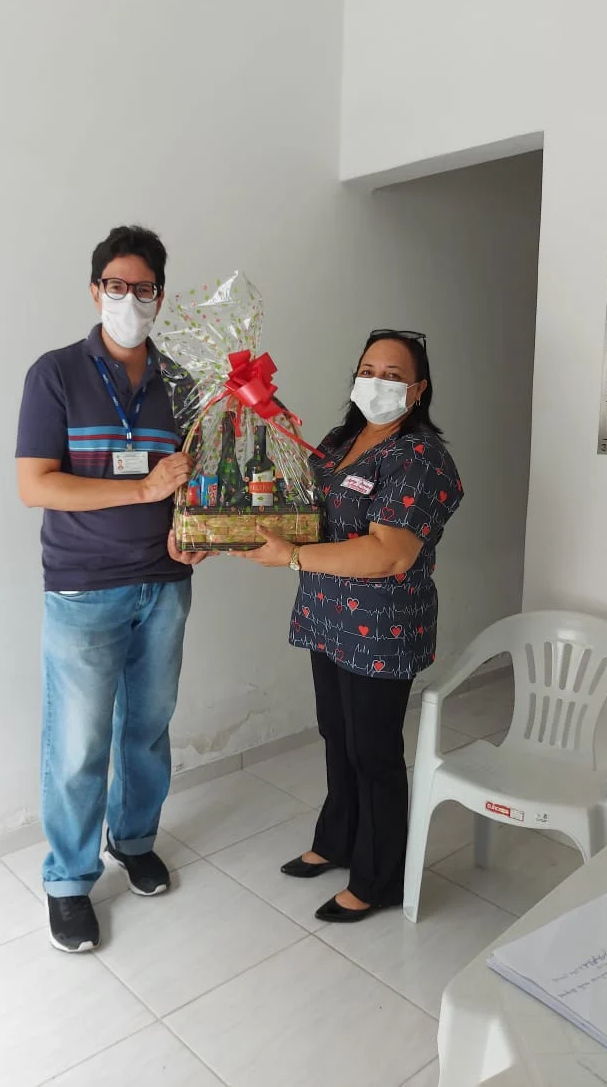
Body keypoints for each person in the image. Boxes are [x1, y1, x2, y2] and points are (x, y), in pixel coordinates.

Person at [15, 225, 205, 953]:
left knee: (148, 727)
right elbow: (36, 485)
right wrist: (141, 489)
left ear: (161, 296)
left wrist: (198, 530)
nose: (130, 300)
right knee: (78, 742)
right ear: (95, 291)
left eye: (144, 288)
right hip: (84, 588)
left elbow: (195, 482)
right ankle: (68, 879)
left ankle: (133, 839)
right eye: (116, 286)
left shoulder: (183, 383)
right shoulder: (55, 374)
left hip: (164, 583)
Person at [235, 330, 463, 922]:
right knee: (337, 735)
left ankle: (380, 876)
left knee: (373, 750)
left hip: (381, 628)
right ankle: (337, 840)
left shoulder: (419, 458)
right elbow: (302, 503)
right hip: (328, 615)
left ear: (418, 390)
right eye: (367, 370)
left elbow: (390, 554)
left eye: (392, 375)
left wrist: (290, 556)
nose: (376, 382)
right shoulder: (342, 441)